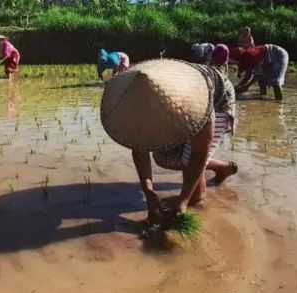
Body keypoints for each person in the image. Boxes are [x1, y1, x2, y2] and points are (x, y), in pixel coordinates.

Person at [100, 59, 237, 234]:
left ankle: (199, 188)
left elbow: (200, 150)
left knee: (196, 197)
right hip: (182, 95)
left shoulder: (196, 101)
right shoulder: (138, 99)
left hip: (217, 95)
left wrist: (183, 201)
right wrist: (149, 193)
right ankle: (222, 167)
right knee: (165, 157)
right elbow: (140, 149)